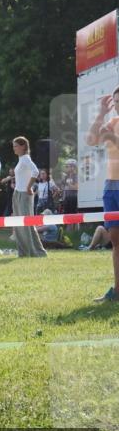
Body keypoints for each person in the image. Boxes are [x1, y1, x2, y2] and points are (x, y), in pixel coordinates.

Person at [86, 85, 119, 301]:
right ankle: (117, 291)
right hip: (111, 187)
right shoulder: (113, 122)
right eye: (116, 102)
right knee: (116, 242)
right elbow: (91, 140)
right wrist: (100, 113)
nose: (117, 106)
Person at [11, 137, 47, 258]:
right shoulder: (21, 159)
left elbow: (35, 171)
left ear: (23, 146)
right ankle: (24, 252)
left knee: (27, 224)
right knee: (19, 224)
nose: (14, 148)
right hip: (17, 193)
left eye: (16, 146)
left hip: (24, 195)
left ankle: (36, 252)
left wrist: (28, 187)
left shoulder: (26, 158)